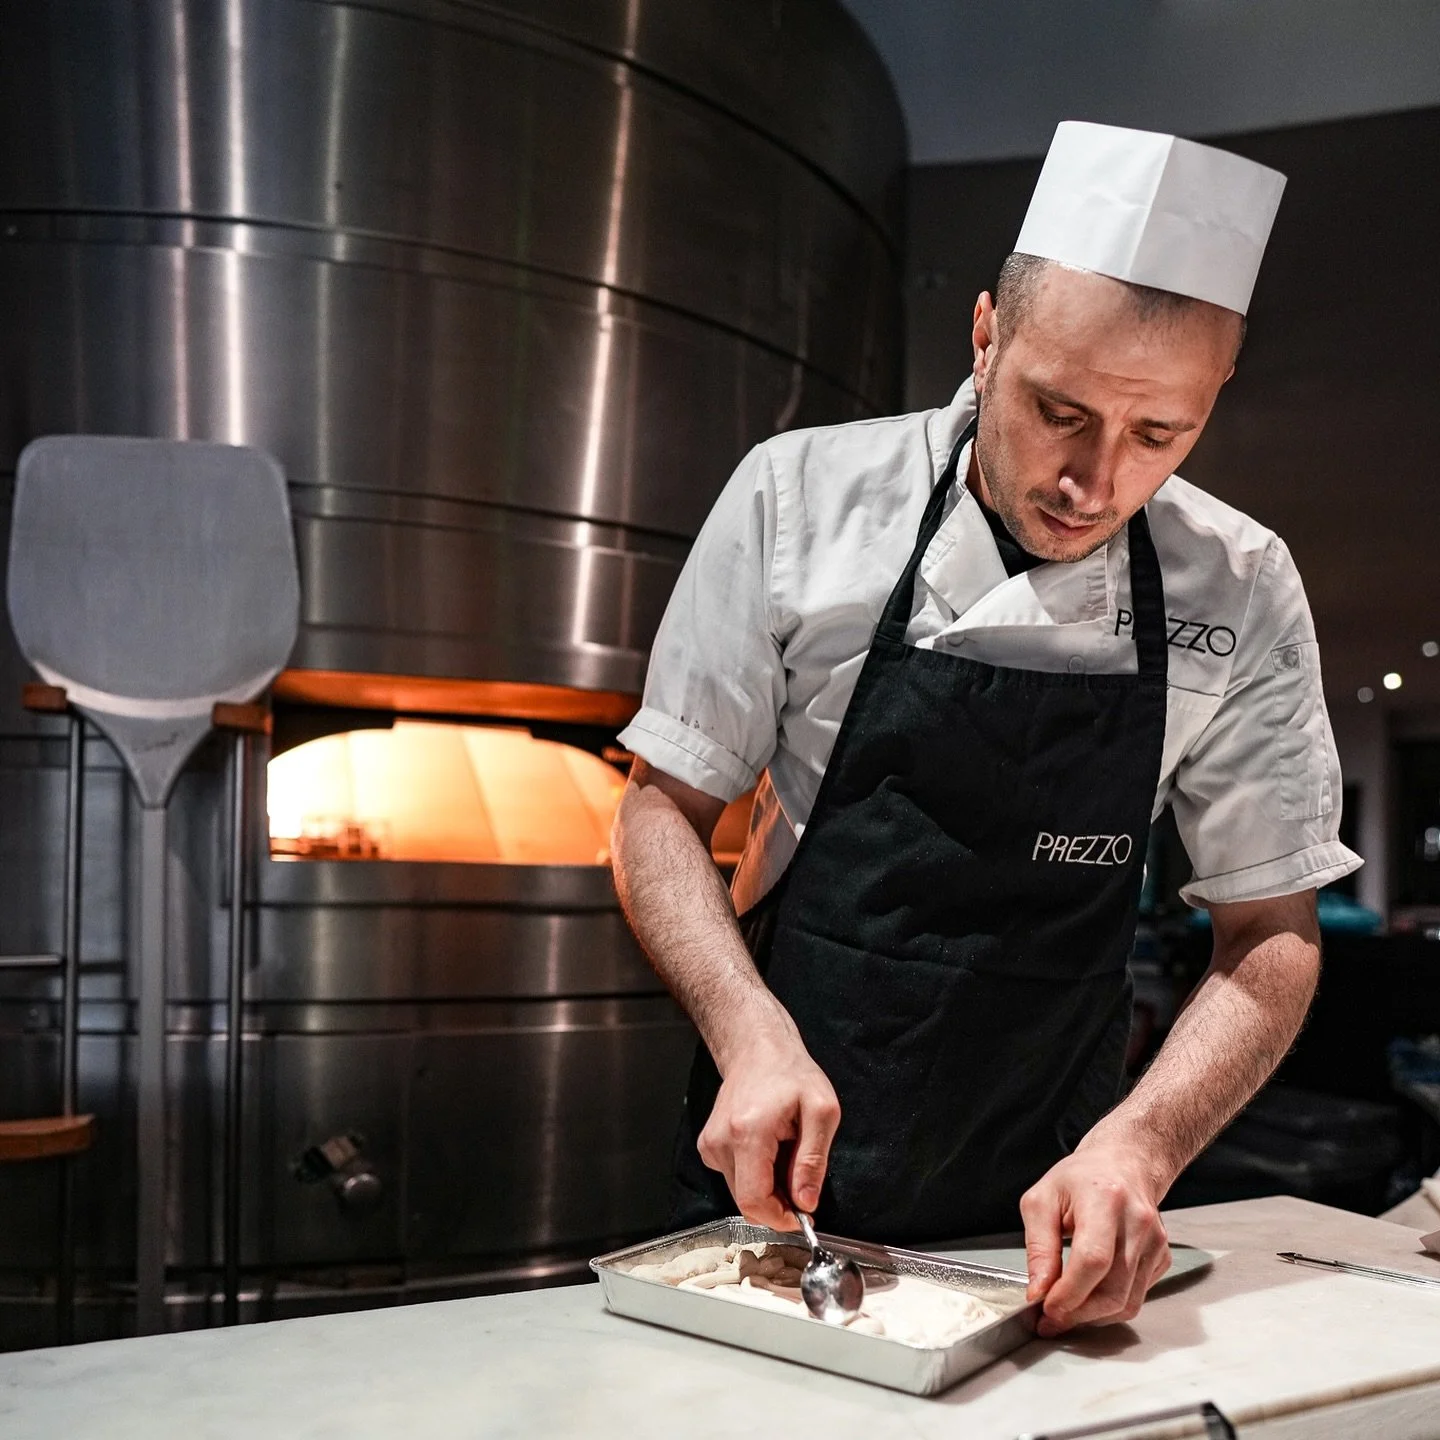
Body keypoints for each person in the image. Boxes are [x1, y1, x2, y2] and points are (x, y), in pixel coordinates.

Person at [609, 121, 1361, 1336]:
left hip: (1053, 1208)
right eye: (1059, 410)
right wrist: (746, 1030)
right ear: (985, 335)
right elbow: (663, 810)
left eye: (1157, 435)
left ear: (1213, 398)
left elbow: (1269, 930)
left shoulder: (1241, 584)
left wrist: (1145, 1146)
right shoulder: (803, 497)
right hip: (772, 1189)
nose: (1094, 480)